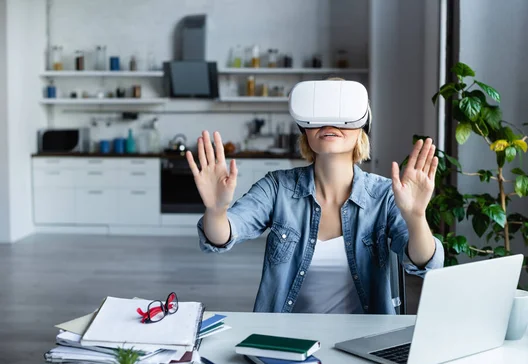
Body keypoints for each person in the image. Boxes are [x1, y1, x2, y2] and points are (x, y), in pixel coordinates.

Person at [187, 80, 444, 314]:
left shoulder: (384, 195)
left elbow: (425, 263)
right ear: (304, 129)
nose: (329, 124)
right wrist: (216, 210)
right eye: (318, 115)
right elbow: (222, 235)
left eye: (341, 115)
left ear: (362, 128)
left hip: (363, 342)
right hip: (285, 339)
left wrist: (416, 217)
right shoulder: (277, 188)